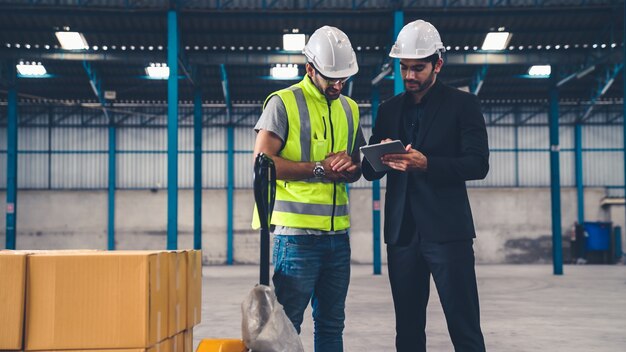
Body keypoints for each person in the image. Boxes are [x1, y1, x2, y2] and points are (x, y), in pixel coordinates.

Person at [362, 20, 489, 351]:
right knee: (407, 330)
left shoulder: (464, 105)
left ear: (438, 64)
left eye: (418, 68)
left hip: (448, 233)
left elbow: (478, 164)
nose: (409, 76)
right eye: (404, 67)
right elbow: (370, 171)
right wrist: (378, 157)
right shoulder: (389, 110)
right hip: (402, 235)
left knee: (464, 327)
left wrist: (427, 163)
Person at [252, 25, 365, 352]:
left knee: (332, 325)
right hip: (296, 239)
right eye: (331, 77)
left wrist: (350, 167)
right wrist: (319, 168)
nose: (338, 85)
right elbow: (262, 163)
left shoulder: (350, 109)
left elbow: (355, 169)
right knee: (285, 329)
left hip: (337, 238)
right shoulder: (283, 103)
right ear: (310, 69)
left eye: (344, 78)